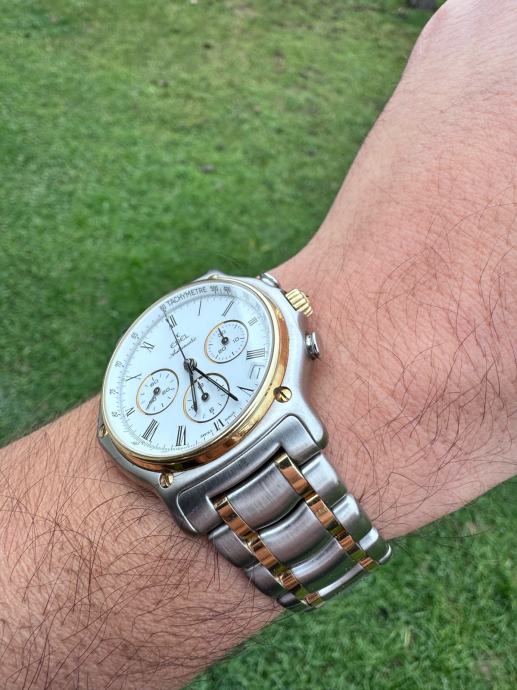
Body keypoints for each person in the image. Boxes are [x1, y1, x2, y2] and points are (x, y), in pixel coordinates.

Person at [1, 1, 516, 687]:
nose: (188, 362)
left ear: (293, 320)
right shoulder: (175, 473)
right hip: (171, 466)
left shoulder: (281, 373)